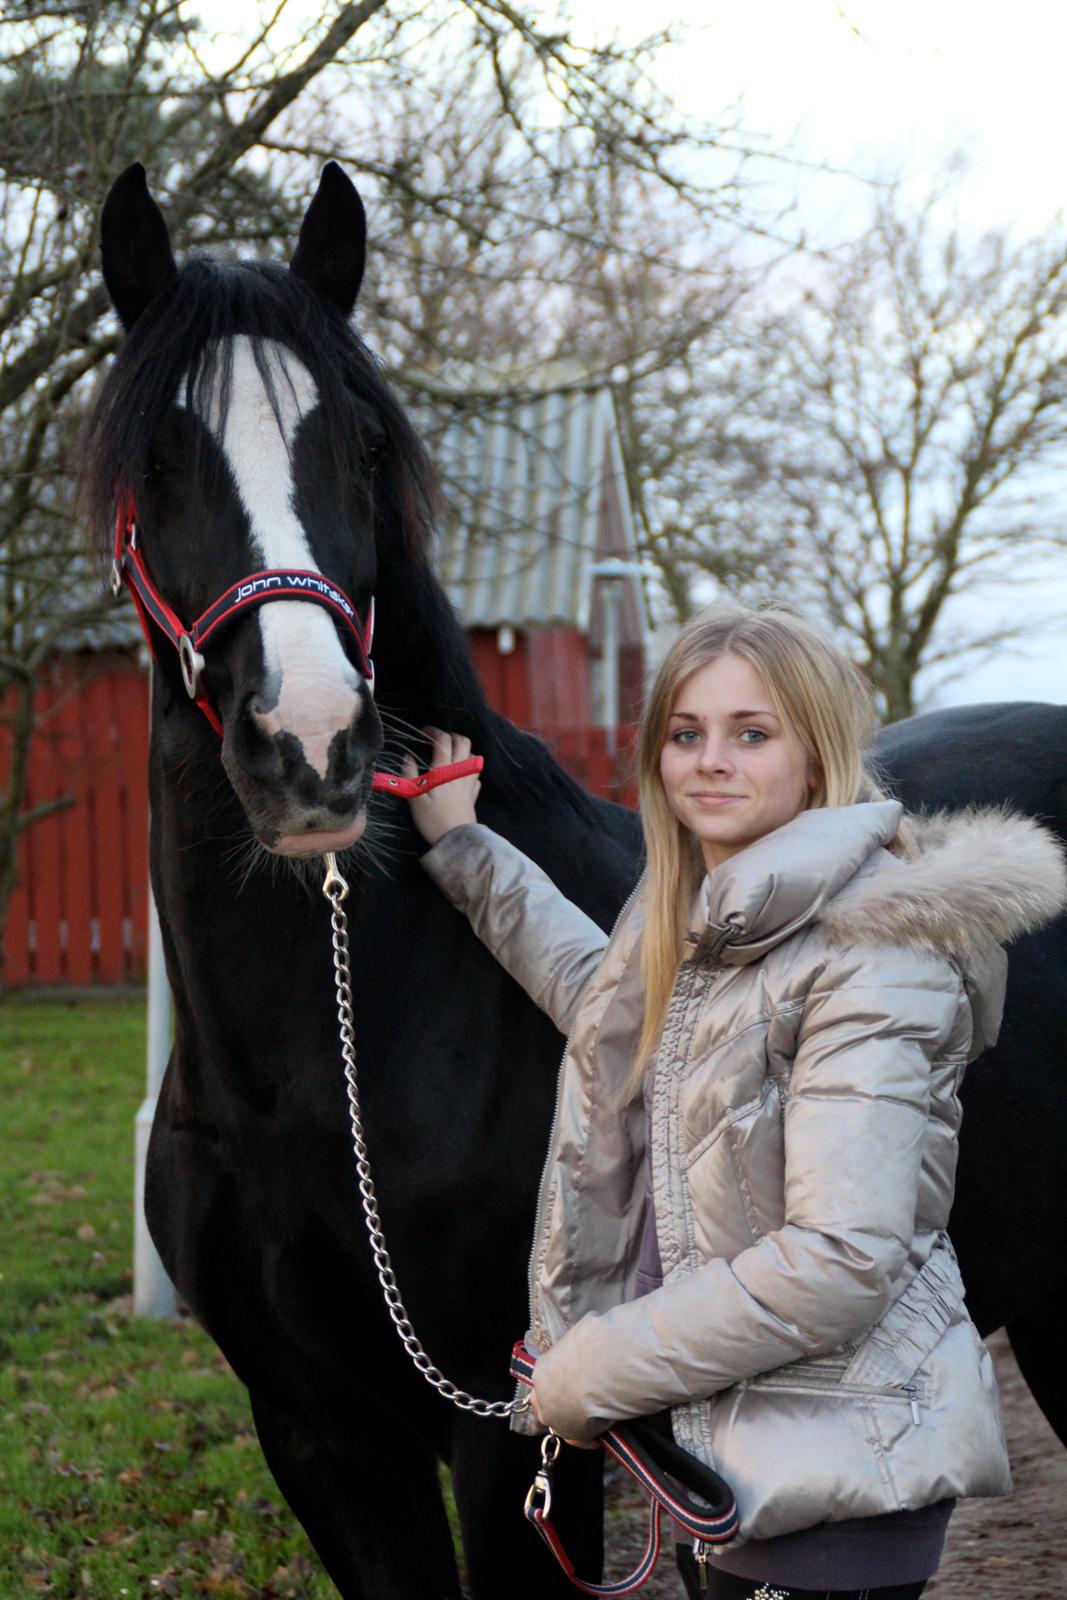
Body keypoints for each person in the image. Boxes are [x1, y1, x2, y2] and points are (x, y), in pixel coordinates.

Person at [404, 601, 1067, 1600]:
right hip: (749, 1452)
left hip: (836, 1470)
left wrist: (586, 1373)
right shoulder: (723, 922)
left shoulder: (871, 958)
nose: (709, 762)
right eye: (686, 734)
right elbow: (610, 1010)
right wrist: (468, 853)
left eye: (751, 734)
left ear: (817, 757)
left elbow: (838, 1259)